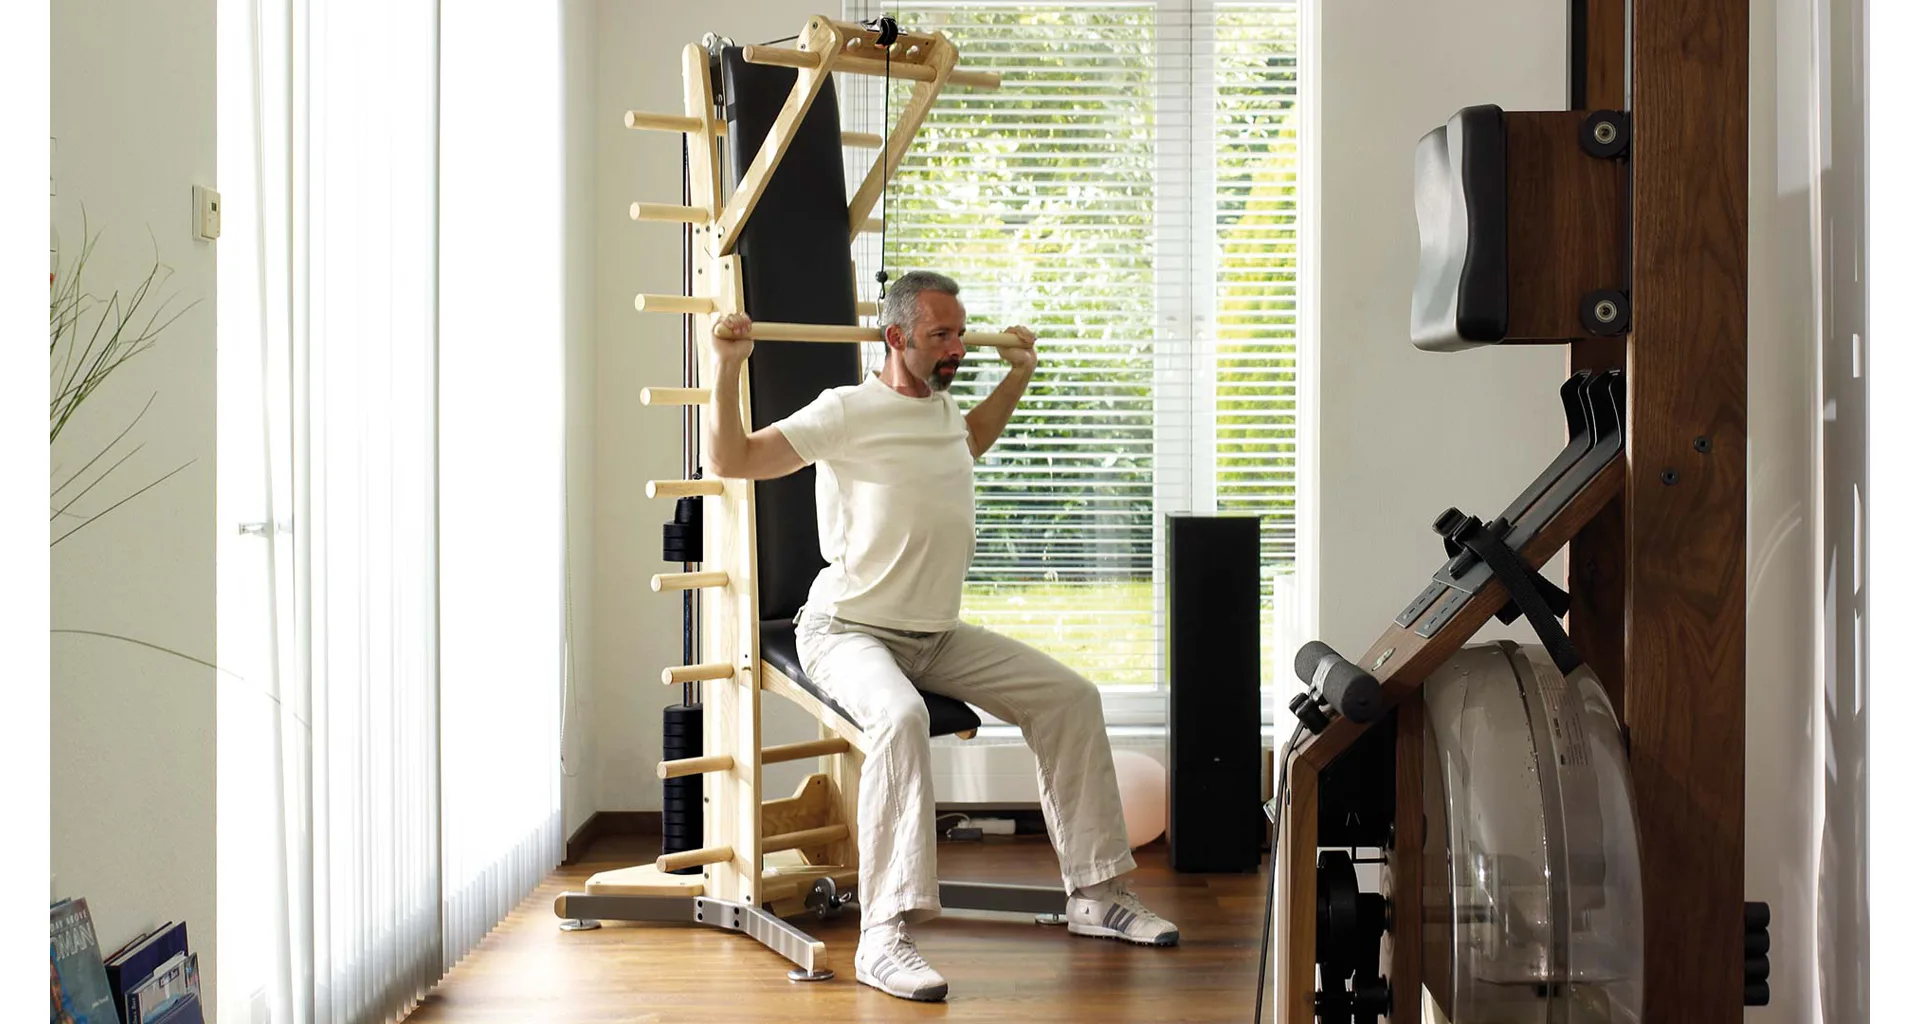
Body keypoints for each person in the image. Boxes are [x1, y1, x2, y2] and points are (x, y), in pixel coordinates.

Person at [704, 270, 1178, 1003]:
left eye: (960, 332)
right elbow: (731, 461)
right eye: (941, 335)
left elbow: (972, 438)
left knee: (1070, 697)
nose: (958, 347)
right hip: (848, 628)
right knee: (900, 717)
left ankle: (1095, 893)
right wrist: (727, 365)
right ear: (896, 337)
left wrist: (1019, 374)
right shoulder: (845, 411)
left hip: (937, 634)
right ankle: (883, 936)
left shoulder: (945, 411)